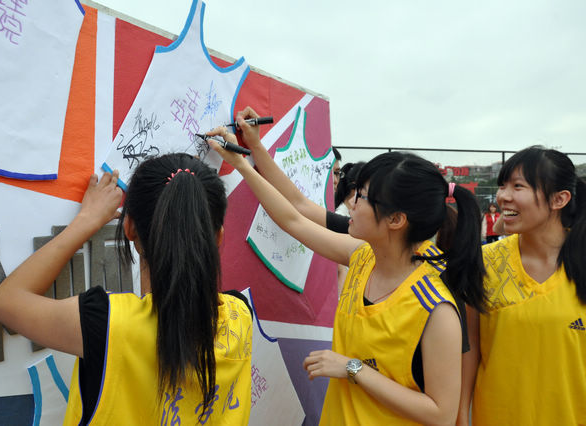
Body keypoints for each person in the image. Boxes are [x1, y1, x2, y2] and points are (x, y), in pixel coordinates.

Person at [209, 121, 485, 425]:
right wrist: (243, 162)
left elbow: (442, 414)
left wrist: (354, 369)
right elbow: (294, 219)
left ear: (396, 220)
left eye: (363, 196)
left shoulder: (436, 309)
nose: (351, 202)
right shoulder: (362, 257)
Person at [0, 154, 252, 425]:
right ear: (218, 236)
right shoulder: (242, 316)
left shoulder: (107, 323)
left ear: (129, 227)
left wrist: (86, 219)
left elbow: (5, 301)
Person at [459, 146, 586, 425]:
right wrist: (460, 415)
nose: (503, 196)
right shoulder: (484, 262)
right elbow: (470, 349)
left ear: (559, 199)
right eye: (502, 186)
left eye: (518, 186)